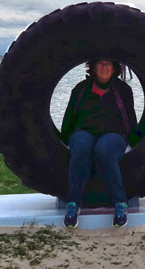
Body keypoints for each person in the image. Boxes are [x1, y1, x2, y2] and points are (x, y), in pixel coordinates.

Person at [59, 59, 138, 228]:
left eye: (108, 64)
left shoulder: (123, 90)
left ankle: (120, 203)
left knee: (105, 149)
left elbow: (130, 118)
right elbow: (69, 115)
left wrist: (136, 142)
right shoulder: (81, 89)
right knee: (80, 146)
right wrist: (64, 138)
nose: (104, 67)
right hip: (83, 132)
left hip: (114, 134)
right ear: (93, 67)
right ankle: (73, 204)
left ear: (115, 68)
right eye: (100, 63)